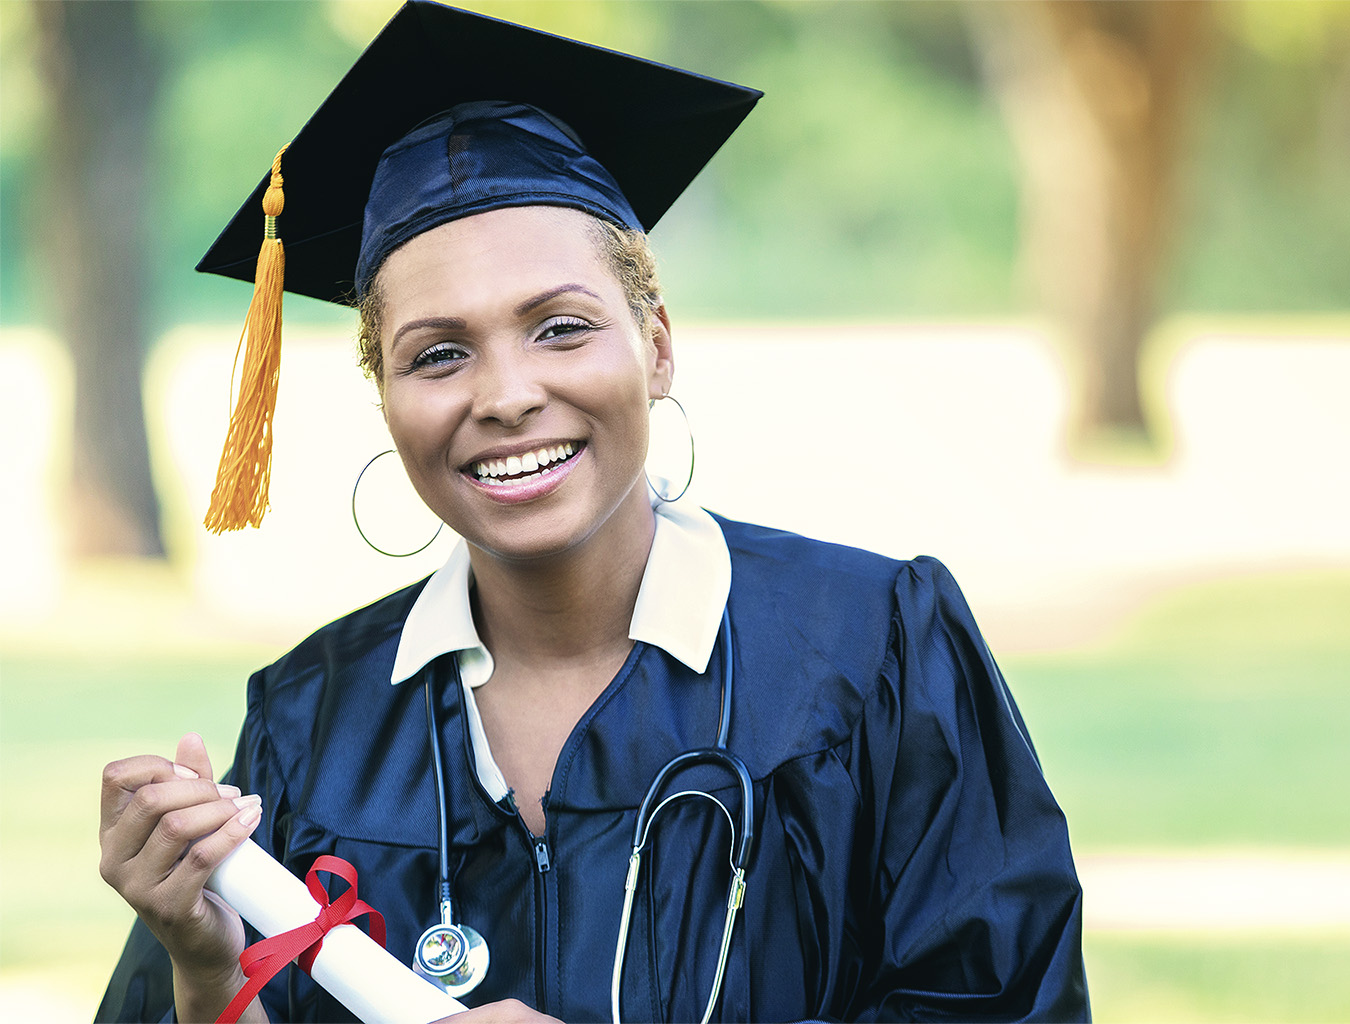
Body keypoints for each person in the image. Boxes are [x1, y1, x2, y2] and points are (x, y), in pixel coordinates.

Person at [96, 3, 1088, 1021]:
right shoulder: (314, 726)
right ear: (385, 399)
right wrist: (211, 969)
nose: (506, 393)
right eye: (438, 353)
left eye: (561, 328)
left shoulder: (875, 652)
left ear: (656, 345)